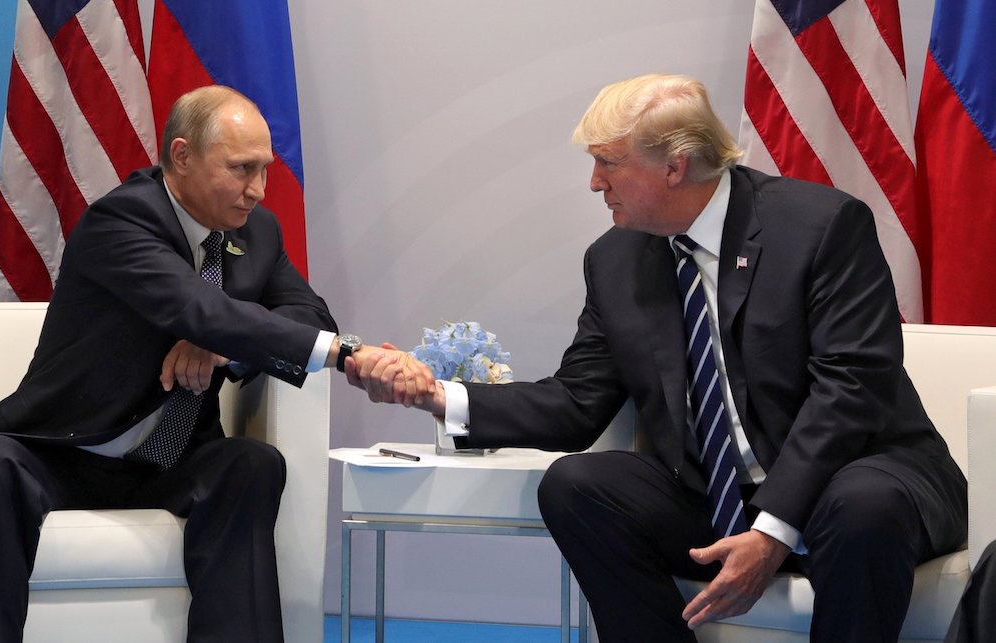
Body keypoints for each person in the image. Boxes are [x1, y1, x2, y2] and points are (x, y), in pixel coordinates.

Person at [349, 74, 967, 641]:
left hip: (856, 473)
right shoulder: (616, 259)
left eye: (608, 163)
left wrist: (773, 529)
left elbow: (851, 388)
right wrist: (437, 395)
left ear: (675, 165)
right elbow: (576, 402)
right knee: (579, 484)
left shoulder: (821, 226)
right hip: (718, 496)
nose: (595, 182)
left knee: (863, 506)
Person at [0, 85, 431, 643]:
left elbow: (307, 311)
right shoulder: (120, 220)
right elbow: (196, 306)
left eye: (265, 170)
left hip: (171, 460)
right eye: (242, 169)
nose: (258, 191)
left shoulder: (256, 231)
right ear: (181, 156)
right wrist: (343, 355)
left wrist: (221, 341)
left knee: (251, 463)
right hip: (64, 449)